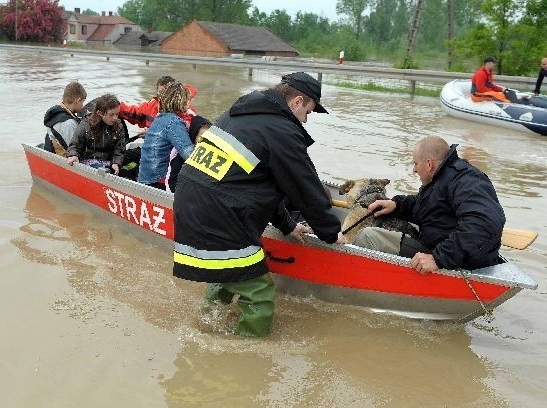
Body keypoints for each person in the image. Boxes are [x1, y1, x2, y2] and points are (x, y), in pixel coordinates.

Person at [172, 72, 348, 337]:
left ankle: (205, 325)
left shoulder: (244, 111)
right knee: (260, 293)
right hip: (219, 213)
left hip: (192, 203)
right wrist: (331, 232)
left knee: (230, 271)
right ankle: (246, 353)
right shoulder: (282, 130)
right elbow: (306, 189)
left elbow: (256, 184)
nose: (306, 119)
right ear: (297, 101)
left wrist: (288, 225)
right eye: (308, 112)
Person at [352, 136, 506, 275]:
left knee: (368, 237)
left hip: (456, 260)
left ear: (429, 163)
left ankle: (357, 284)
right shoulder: (442, 176)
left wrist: (438, 258)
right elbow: (426, 207)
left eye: (415, 163)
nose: (414, 169)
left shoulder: (466, 180)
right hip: (440, 246)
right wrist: (396, 205)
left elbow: (484, 222)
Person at [138, 82, 194, 189]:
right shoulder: (174, 122)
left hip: (146, 177)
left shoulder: (160, 118)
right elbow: (189, 154)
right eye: (188, 99)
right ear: (181, 101)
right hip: (158, 181)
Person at [66, 94, 126, 175]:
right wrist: (73, 155)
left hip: (109, 163)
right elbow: (75, 145)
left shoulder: (119, 126)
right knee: (98, 167)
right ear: (100, 113)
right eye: (111, 115)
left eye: (117, 114)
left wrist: (116, 163)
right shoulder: (86, 125)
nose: (115, 118)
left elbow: (119, 150)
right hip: (89, 162)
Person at [119, 75, 197, 130]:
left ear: (175, 93)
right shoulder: (152, 106)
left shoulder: (187, 111)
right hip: (153, 148)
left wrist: (151, 133)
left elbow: (185, 135)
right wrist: (117, 107)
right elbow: (134, 113)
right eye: (160, 93)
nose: (163, 97)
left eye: (166, 92)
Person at [165, 115, 211, 193]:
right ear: (193, 135)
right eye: (201, 137)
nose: (205, 141)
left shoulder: (213, 154)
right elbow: (172, 182)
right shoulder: (180, 155)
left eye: (208, 137)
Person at [43, 81, 87, 156]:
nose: (83, 106)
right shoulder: (69, 124)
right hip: (62, 160)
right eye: (82, 102)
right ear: (78, 100)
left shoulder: (57, 113)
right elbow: (76, 150)